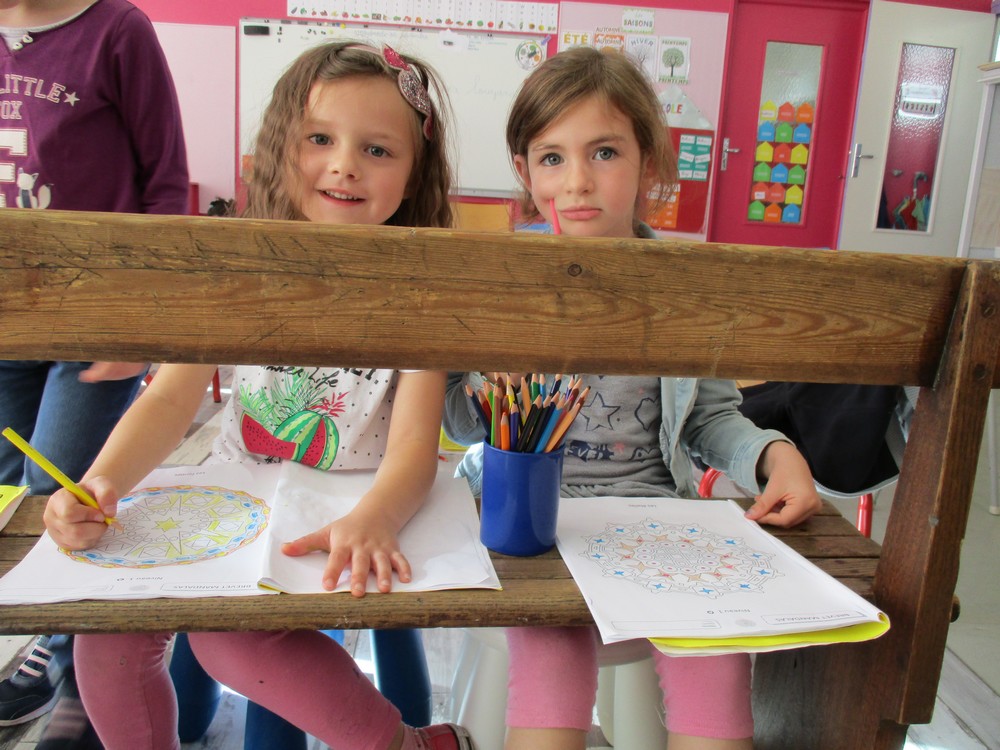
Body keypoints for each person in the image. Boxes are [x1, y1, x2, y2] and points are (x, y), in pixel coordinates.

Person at [42, 41, 471, 750]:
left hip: (343, 519)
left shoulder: (416, 294)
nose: (344, 164)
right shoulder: (240, 269)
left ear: (415, 174)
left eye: (378, 150)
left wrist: (374, 518)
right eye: (320, 139)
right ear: (281, 147)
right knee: (106, 641)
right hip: (238, 504)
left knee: (228, 640)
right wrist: (101, 482)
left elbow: (414, 451)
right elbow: (166, 402)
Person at [442, 47, 823, 750]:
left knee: (715, 653)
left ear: (650, 163)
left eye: (605, 152)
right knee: (550, 655)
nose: (577, 181)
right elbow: (461, 423)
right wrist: (480, 382)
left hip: (653, 524)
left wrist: (775, 455)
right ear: (525, 174)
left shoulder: (680, 287)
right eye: (551, 158)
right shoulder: (501, 279)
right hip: (526, 531)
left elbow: (710, 420)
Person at [0, 0, 189, 738]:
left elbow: (167, 183)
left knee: (67, 494)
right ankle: (46, 648)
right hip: (10, 318)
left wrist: (147, 318)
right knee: (18, 496)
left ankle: (68, 666)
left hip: (96, 316)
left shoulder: (116, 29)